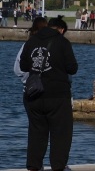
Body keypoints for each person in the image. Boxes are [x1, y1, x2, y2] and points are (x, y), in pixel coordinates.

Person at [21, 16, 78, 171]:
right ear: (59, 29)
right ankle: (58, 166)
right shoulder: (62, 42)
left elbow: (23, 65)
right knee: (61, 134)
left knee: (36, 133)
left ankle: (34, 166)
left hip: (35, 94)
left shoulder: (31, 41)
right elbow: (72, 68)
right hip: (58, 94)